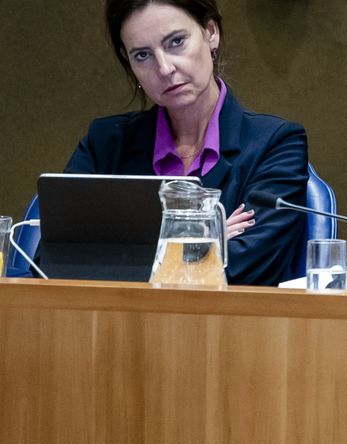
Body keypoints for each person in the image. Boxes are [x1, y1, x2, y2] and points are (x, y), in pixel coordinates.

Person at [64, 0, 308, 285]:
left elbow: (250, 269)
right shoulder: (104, 144)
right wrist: (205, 240)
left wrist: (132, 253)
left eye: (176, 42)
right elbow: (56, 262)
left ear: (210, 32)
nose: (165, 68)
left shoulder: (276, 143)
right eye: (143, 55)